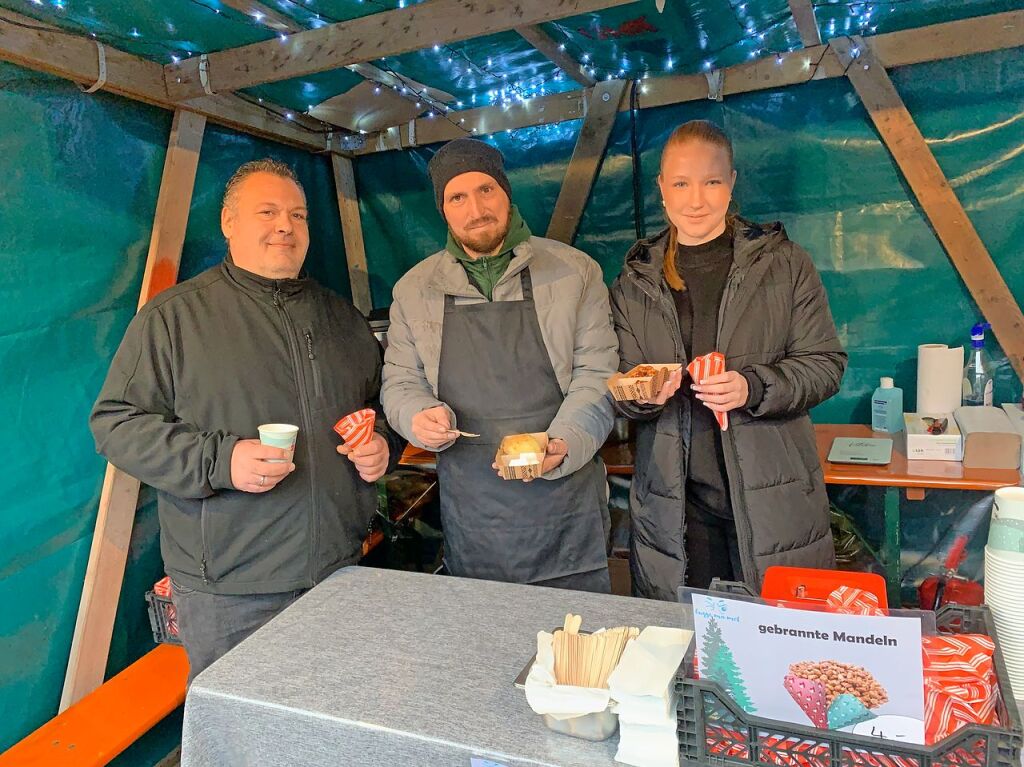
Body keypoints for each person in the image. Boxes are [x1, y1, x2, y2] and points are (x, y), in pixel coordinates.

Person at [90, 158, 403, 681]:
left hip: (338, 573)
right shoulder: (176, 317)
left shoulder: (343, 320)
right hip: (231, 593)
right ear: (229, 223)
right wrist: (221, 460)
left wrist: (383, 448)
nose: (286, 225)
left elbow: (377, 413)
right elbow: (115, 423)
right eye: (268, 211)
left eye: (299, 215)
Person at [610, 120, 847, 600]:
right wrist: (642, 394)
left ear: (732, 182)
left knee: (778, 653)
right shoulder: (634, 282)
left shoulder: (783, 264)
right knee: (689, 648)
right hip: (676, 508)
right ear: (661, 187)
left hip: (772, 502)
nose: (695, 200)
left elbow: (825, 364)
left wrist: (753, 387)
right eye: (681, 183)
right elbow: (625, 389)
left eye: (711, 181)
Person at [382, 138, 618, 592]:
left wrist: (563, 443)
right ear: (443, 210)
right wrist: (416, 416)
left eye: (485, 189)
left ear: (506, 192)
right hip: (476, 517)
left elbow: (596, 375)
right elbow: (400, 381)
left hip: (564, 504)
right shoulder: (413, 290)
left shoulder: (575, 272)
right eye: (458, 197)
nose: (475, 208)